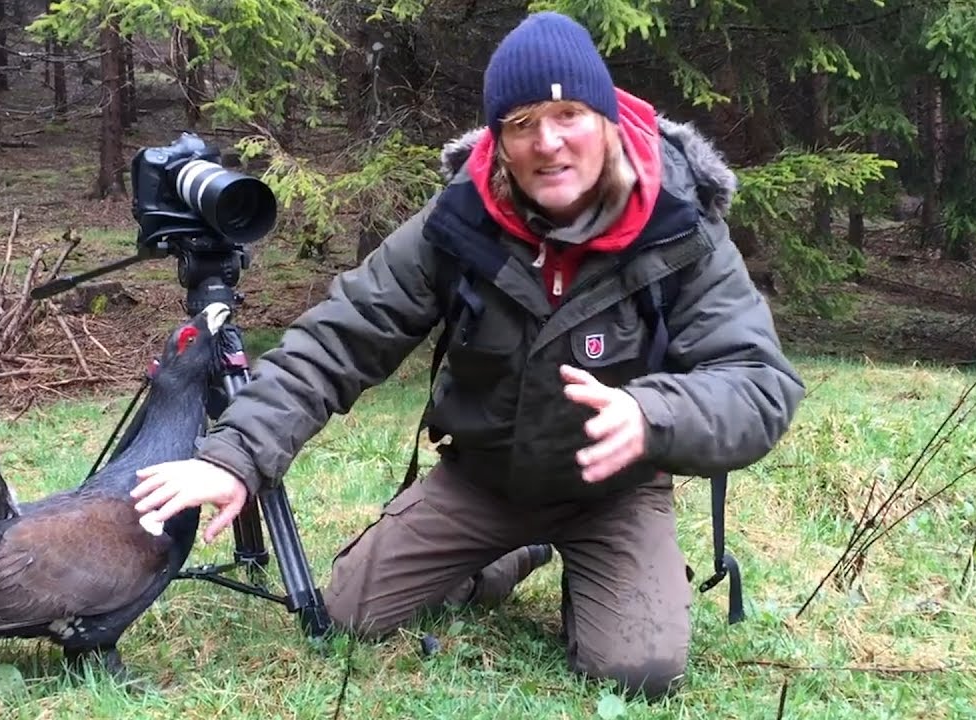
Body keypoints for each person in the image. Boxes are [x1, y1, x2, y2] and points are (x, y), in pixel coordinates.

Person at [130, 11, 804, 702]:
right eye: (522, 124)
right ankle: (519, 550)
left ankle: (601, 568)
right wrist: (236, 455)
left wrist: (652, 413)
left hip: (614, 493)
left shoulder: (679, 223)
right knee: (350, 612)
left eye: (569, 113)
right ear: (500, 141)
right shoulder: (458, 221)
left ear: (604, 117)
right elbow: (340, 337)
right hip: (481, 481)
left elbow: (758, 384)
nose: (548, 142)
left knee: (638, 671)